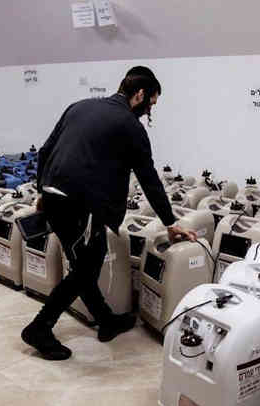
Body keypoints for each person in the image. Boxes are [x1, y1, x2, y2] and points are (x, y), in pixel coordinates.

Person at [21, 66, 197, 360]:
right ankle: (40, 327)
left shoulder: (79, 107)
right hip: (79, 206)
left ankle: (105, 319)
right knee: (86, 268)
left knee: (84, 263)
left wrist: (43, 190)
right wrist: (170, 222)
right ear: (140, 94)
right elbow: (149, 179)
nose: (149, 111)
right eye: (151, 104)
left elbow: (45, 150)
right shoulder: (130, 126)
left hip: (54, 196)